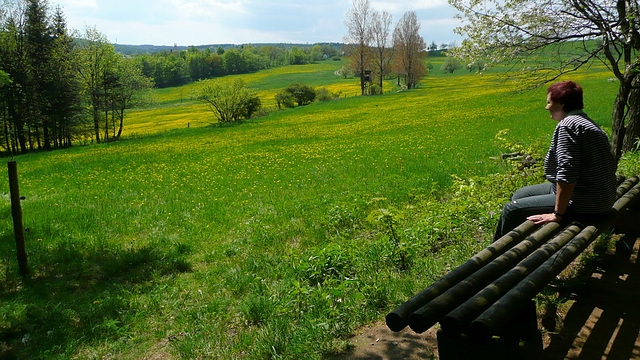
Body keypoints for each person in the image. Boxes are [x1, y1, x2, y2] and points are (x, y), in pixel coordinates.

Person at [494, 80, 617, 241]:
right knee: (520, 194)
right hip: (600, 197)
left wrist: (558, 214)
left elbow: (567, 174)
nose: (547, 107)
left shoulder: (568, 126)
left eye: (549, 102)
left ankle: (500, 258)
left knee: (511, 210)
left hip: (586, 203)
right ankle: (522, 240)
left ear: (561, 104)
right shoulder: (586, 122)